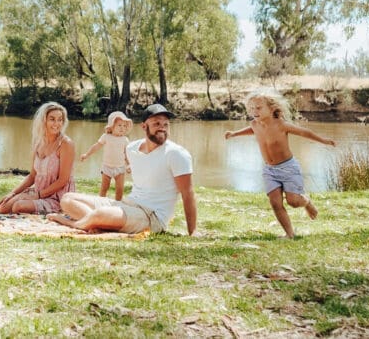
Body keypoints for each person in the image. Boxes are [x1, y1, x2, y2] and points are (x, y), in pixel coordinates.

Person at [52, 104, 197, 236]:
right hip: (127, 205)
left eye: (166, 124)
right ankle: (96, 222)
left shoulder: (176, 154)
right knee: (67, 199)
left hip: (151, 216)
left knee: (102, 213)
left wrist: (193, 232)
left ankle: (76, 223)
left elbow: (188, 193)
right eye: (157, 123)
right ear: (144, 126)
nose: (162, 128)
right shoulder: (132, 148)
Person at [224, 88, 337, 238]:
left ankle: (307, 202)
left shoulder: (281, 125)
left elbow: (304, 132)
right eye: (251, 108)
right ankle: (289, 234)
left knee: (293, 201)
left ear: (271, 109)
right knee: (275, 203)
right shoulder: (254, 124)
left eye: (258, 108)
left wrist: (324, 141)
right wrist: (234, 134)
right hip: (269, 170)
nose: (254, 111)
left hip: (288, 168)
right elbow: (252, 129)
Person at [0, 101, 76, 215]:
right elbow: (32, 176)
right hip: (38, 192)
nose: (57, 123)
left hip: (58, 197)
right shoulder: (38, 143)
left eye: (60, 119)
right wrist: (13, 193)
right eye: (52, 119)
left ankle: (48, 207)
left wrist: (37, 196)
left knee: (18, 207)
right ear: (44, 121)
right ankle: (28, 201)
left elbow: (63, 180)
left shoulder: (66, 144)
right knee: (3, 207)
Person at [79, 110, 132, 199]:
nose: (122, 128)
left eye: (124, 126)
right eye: (119, 125)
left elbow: (126, 154)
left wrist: (129, 164)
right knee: (104, 187)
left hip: (120, 168)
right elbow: (96, 146)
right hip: (107, 167)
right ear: (111, 126)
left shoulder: (125, 140)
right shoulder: (106, 137)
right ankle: (100, 202)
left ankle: (118, 205)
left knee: (120, 189)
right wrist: (87, 154)